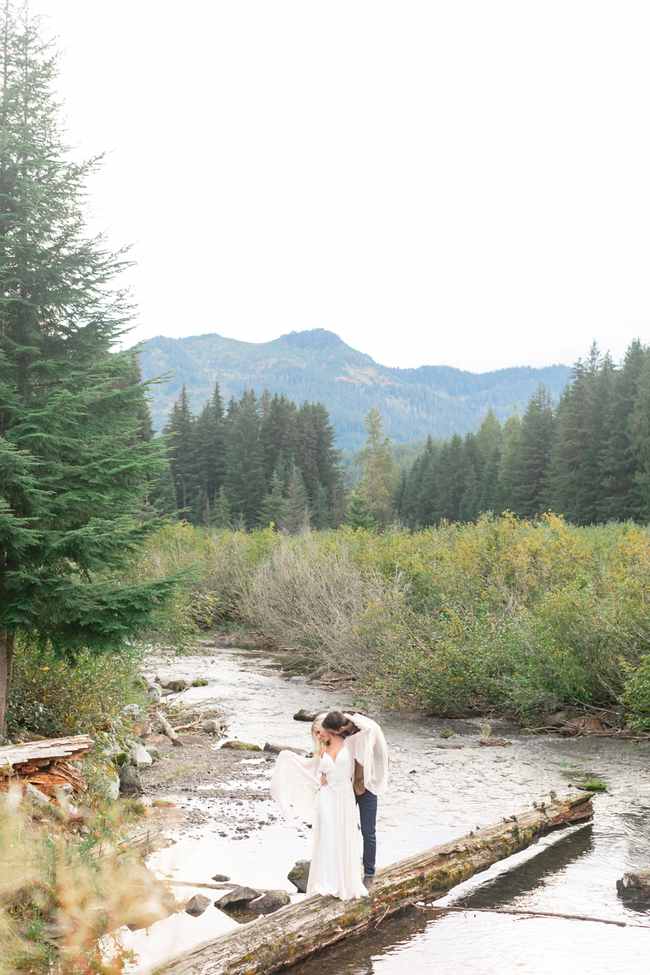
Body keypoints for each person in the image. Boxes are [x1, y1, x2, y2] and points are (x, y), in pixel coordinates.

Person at [270, 710, 368, 900]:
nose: (318, 736)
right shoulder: (323, 750)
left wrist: (348, 722)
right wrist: (289, 756)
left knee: (343, 835)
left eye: (319, 732)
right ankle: (328, 882)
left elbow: (370, 728)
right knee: (328, 836)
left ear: (329, 729)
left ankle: (344, 881)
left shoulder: (351, 743)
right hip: (327, 796)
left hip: (345, 796)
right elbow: (309, 767)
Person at [320, 710, 389, 890]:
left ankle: (369, 875)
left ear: (342, 727)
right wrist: (323, 773)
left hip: (367, 787)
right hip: (346, 788)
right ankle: (343, 873)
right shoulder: (341, 735)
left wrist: (351, 719)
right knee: (343, 830)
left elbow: (371, 727)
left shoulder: (365, 729)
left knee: (368, 832)